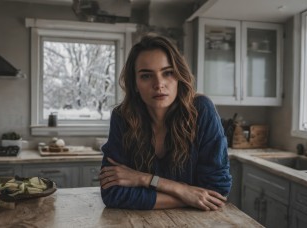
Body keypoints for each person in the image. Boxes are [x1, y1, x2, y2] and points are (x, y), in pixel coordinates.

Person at [99, 34, 232, 211]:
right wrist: (186, 194)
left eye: (168, 73)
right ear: (135, 84)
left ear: (179, 76)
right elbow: (112, 193)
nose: (159, 84)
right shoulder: (122, 117)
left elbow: (216, 192)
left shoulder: (201, 110)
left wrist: (143, 178)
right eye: (146, 76)